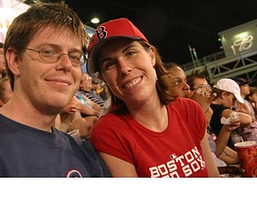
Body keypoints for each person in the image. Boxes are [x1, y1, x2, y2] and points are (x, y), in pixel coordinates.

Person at [0, 1, 110, 177]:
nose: (67, 64)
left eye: (75, 56)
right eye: (48, 52)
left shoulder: (86, 156)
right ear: (15, 61)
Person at [87, 17, 220, 177]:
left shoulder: (189, 109)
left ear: (151, 55)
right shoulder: (109, 133)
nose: (124, 69)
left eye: (130, 53)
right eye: (109, 65)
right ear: (103, 79)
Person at [186, 70, 239, 165]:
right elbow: (203, 155)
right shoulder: (186, 118)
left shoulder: (208, 111)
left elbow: (214, 151)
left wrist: (227, 129)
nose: (208, 91)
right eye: (202, 87)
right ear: (189, 93)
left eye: (207, 87)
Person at [210, 78, 252, 150]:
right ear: (224, 94)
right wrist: (245, 113)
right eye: (233, 99)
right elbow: (247, 120)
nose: (232, 104)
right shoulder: (218, 109)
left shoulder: (212, 108)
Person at [234, 77, 257, 142]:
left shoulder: (245, 101)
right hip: (248, 134)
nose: (248, 87)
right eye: (245, 86)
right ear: (239, 88)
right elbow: (247, 120)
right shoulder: (237, 102)